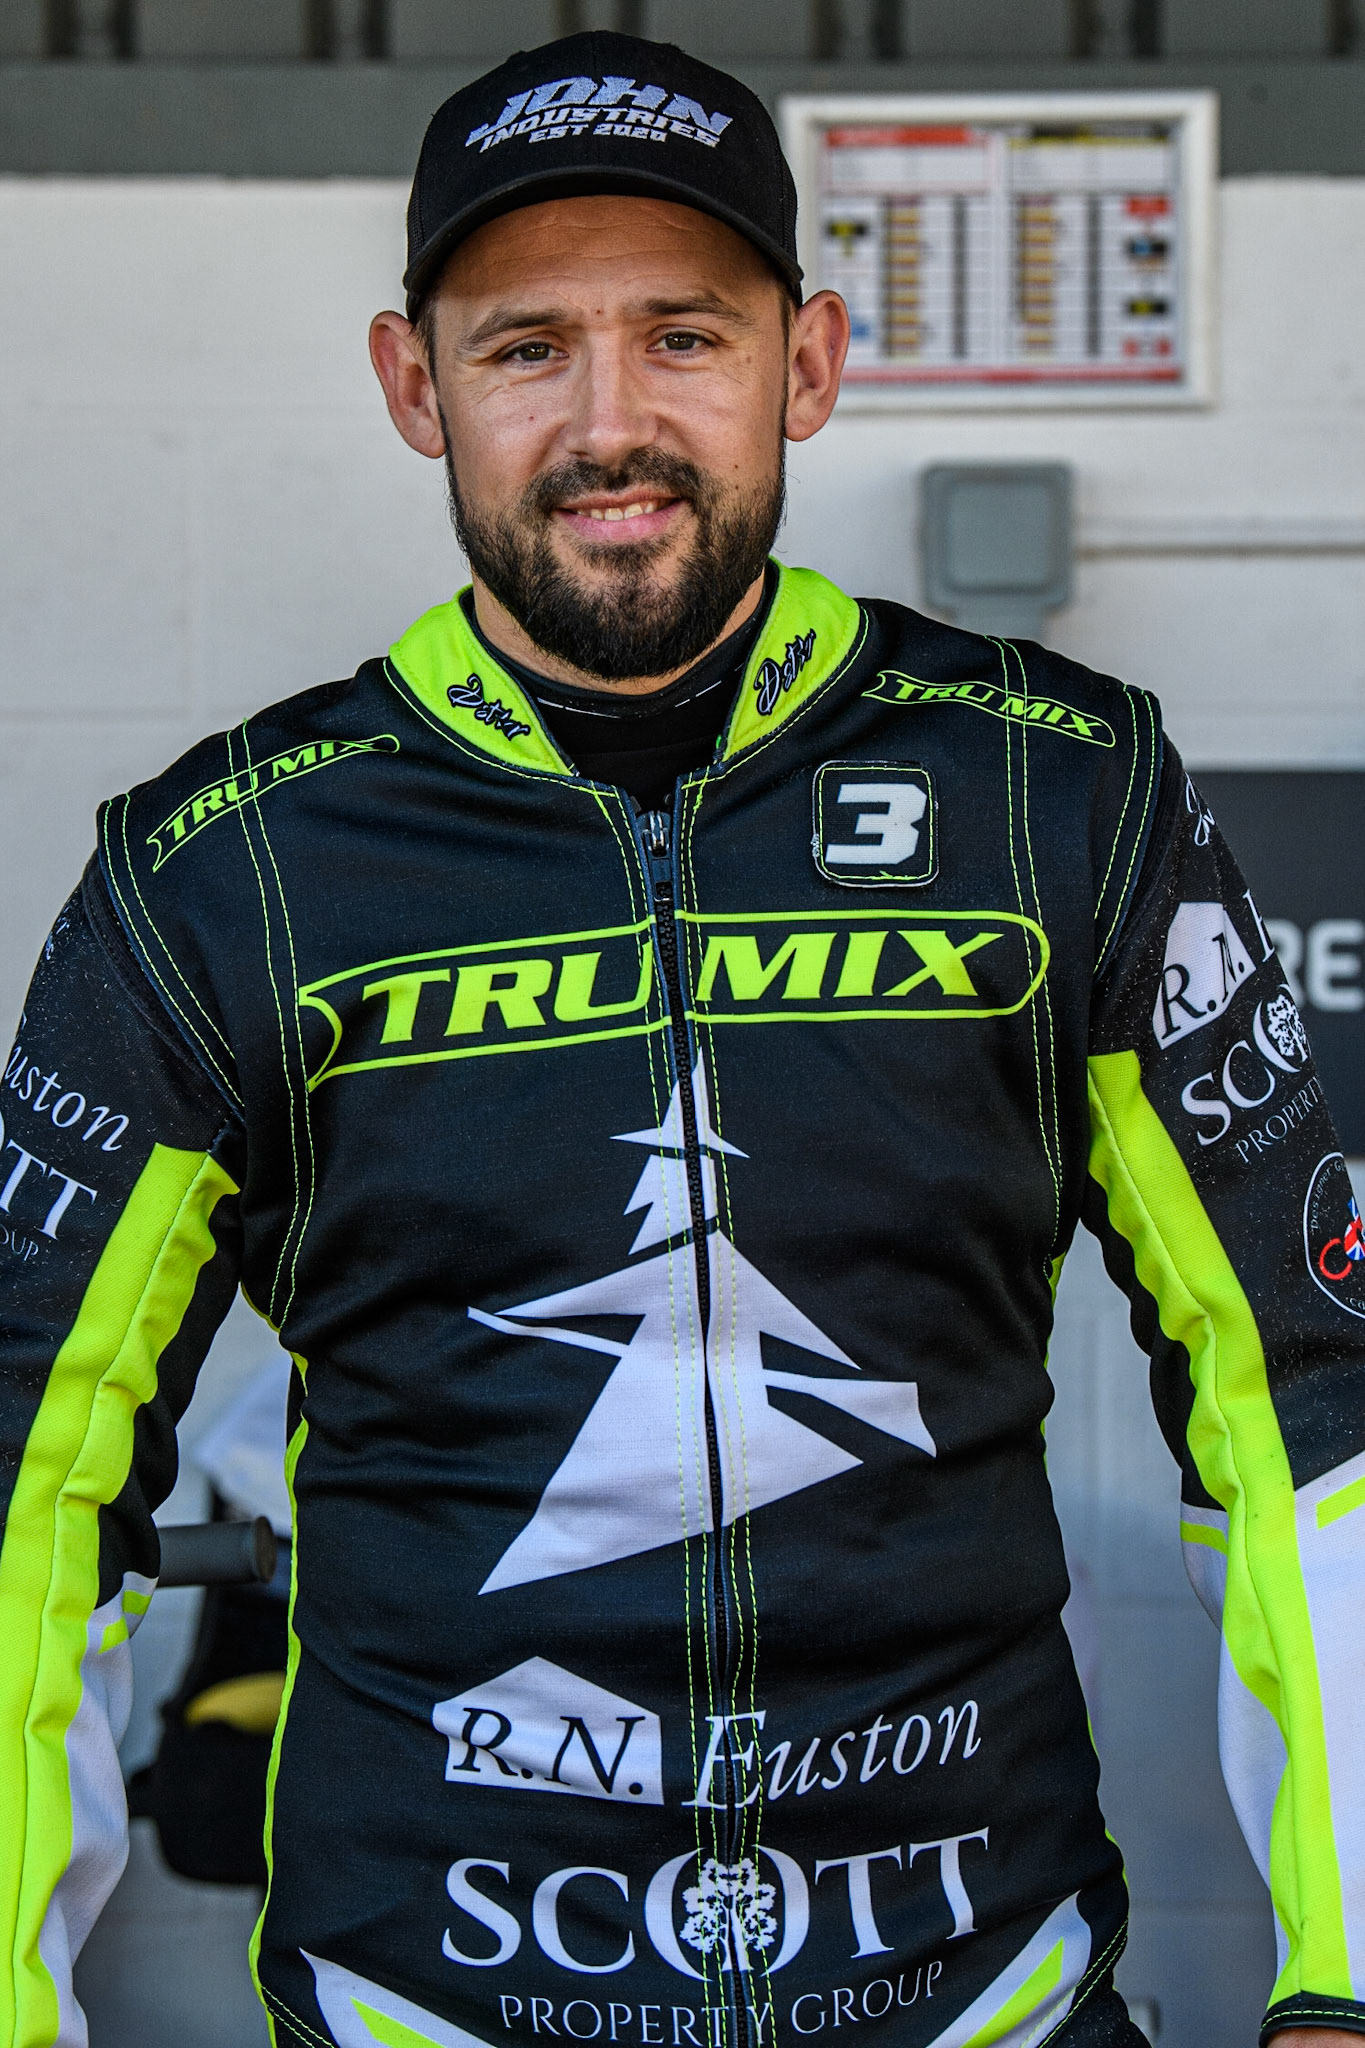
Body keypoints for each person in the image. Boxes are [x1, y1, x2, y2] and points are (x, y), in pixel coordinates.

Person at [0, 29, 1360, 2048]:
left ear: (802, 364)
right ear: (414, 385)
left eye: (683, 337)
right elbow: (28, 1474)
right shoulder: (231, 873)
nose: (607, 421)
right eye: (526, 343)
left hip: (976, 2005)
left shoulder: (1053, 794)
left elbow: (1309, 1408)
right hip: (433, 2009)